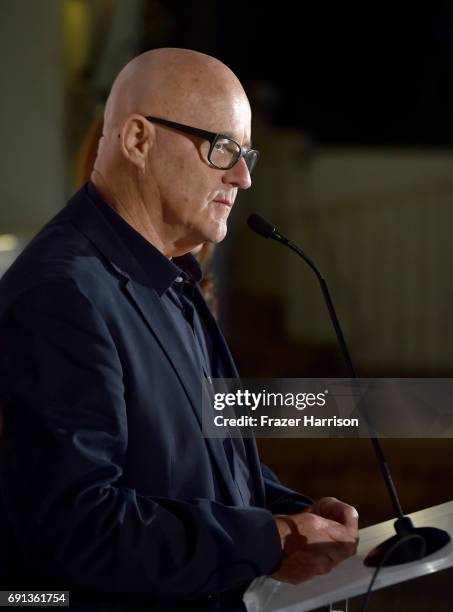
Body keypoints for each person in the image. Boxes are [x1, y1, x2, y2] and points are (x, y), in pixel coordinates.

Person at [0, 48, 358, 611]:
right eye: (222, 149)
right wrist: (270, 540)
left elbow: (201, 461)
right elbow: (77, 526)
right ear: (138, 141)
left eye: (247, 155)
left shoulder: (172, 280)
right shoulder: (62, 296)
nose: (241, 177)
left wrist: (292, 513)